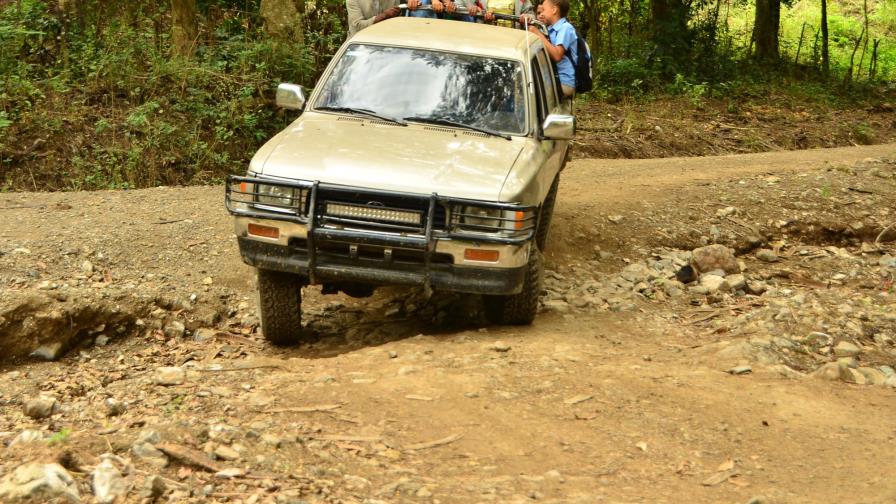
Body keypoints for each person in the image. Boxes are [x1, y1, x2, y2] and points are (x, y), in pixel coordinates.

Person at [525, 0, 577, 100]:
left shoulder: (566, 28)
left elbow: (557, 55)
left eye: (544, 10)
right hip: (552, 79)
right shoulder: (550, 29)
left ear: (554, 10)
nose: (542, 13)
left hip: (563, 82)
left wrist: (538, 34)